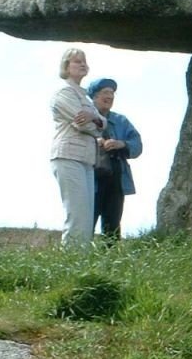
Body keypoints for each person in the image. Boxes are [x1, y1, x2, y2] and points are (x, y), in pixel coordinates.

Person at [50, 48, 105, 247]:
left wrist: (95, 118)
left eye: (84, 61)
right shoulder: (63, 92)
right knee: (77, 213)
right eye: (76, 61)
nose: (82, 64)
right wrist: (96, 121)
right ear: (66, 67)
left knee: (86, 215)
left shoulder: (86, 98)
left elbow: (101, 121)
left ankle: (82, 262)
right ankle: (71, 263)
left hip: (86, 159)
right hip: (68, 156)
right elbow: (83, 124)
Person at [88, 78, 143, 240]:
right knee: (85, 222)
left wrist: (121, 144)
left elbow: (137, 145)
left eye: (112, 93)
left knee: (112, 225)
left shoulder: (121, 121)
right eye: (105, 92)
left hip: (116, 178)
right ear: (94, 96)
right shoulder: (86, 117)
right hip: (91, 177)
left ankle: (109, 262)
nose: (110, 97)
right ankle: (79, 260)